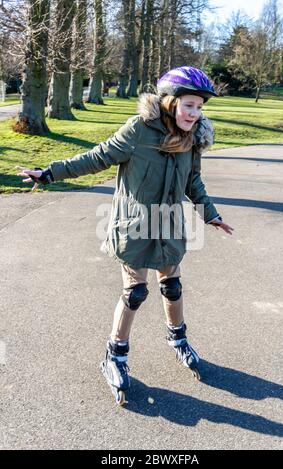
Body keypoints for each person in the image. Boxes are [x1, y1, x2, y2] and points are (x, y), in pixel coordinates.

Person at [17, 66, 234, 405]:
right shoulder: (139, 131)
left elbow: (193, 182)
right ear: (170, 101)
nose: (195, 113)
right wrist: (50, 173)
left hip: (169, 226)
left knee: (172, 286)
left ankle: (177, 339)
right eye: (189, 105)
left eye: (200, 107)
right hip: (133, 226)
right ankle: (114, 354)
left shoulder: (192, 140)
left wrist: (211, 215)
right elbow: (98, 157)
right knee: (135, 293)